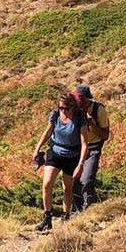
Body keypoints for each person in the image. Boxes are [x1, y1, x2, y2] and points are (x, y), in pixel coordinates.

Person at [31, 90, 87, 232]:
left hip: (72, 155)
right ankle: (47, 217)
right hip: (55, 151)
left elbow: (84, 143)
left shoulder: (80, 117)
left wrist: (80, 164)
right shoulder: (55, 114)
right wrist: (37, 148)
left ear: (72, 106)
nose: (62, 110)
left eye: (65, 108)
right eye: (60, 107)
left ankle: (66, 215)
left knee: (67, 188)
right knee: (47, 184)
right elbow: (48, 131)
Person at [71, 84, 110, 213]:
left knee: (86, 180)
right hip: (76, 149)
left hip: (93, 148)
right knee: (73, 181)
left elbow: (105, 135)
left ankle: (89, 209)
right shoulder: (73, 110)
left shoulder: (99, 110)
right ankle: (75, 210)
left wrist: (92, 124)